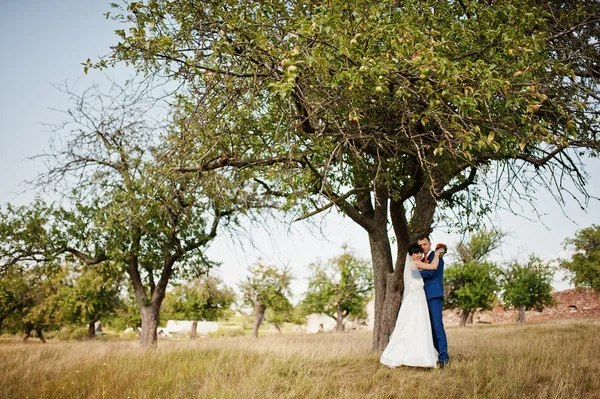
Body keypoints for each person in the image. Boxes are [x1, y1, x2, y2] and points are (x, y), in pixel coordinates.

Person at [380, 243, 445, 368]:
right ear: (410, 255)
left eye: (420, 252)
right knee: (418, 323)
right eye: (416, 253)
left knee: (416, 324)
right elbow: (433, 266)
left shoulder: (412, 267)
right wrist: (437, 253)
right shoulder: (414, 264)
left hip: (416, 296)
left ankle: (417, 354)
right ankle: (417, 356)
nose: (419, 255)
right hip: (416, 297)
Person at [417, 235, 450, 367]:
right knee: (428, 327)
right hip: (422, 296)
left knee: (437, 326)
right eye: (420, 245)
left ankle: (444, 358)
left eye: (424, 244)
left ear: (430, 244)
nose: (422, 247)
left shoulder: (437, 258)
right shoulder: (420, 259)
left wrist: (415, 272)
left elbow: (431, 272)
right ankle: (434, 355)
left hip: (434, 295)